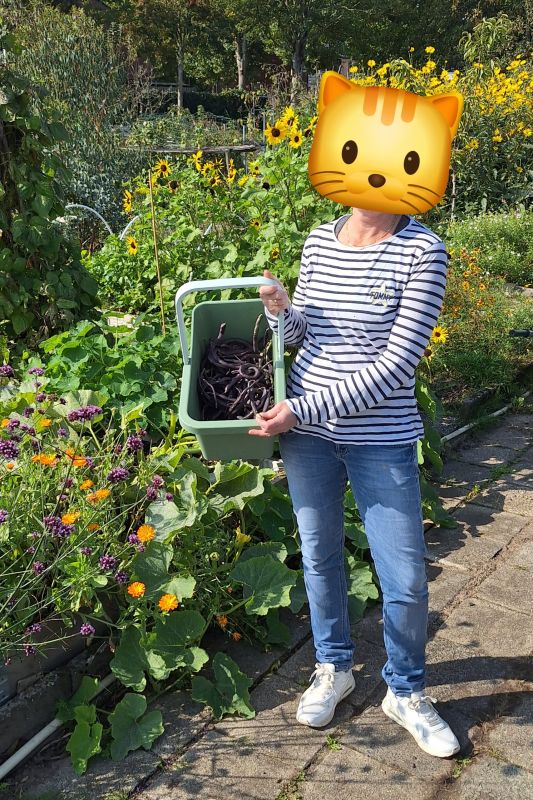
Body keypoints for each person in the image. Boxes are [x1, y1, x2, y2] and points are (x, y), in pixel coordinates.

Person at [249, 206, 461, 759]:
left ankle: (406, 691)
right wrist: (280, 311)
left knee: (405, 577)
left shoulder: (423, 252)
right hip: (307, 438)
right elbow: (304, 335)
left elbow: (396, 366)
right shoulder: (320, 239)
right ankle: (333, 667)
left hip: (379, 438)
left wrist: (301, 408)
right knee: (320, 557)